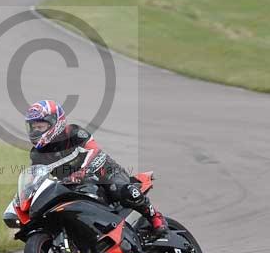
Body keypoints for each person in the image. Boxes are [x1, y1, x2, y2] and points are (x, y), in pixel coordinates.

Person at [25, 99, 168, 235]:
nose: (36, 131)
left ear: (55, 122)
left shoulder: (74, 133)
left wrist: (82, 172)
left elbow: (93, 150)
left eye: (40, 126)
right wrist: (24, 199)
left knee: (123, 191)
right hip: (74, 185)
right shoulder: (37, 154)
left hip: (104, 172)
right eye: (34, 127)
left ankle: (155, 217)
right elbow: (36, 177)